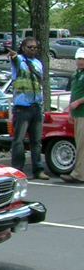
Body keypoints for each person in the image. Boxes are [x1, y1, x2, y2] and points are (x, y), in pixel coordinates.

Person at [7, 36, 48, 179]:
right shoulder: (19, 61)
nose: (32, 50)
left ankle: (38, 169)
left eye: (35, 47)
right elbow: (14, 58)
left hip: (36, 106)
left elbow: (40, 84)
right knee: (18, 140)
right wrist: (13, 56)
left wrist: (42, 105)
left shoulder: (38, 63)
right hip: (22, 107)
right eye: (29, 47)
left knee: (36, 141)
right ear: (23, 48)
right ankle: (17, 169)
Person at [61, 47, 84, 184]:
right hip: (77, 114)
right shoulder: (76, 74)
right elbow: (74, 92)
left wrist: (78, 102)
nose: (81, 62)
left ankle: (78, 174)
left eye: (83, 59)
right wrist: (71, 111)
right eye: (79, 59)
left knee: (81, 144)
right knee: (79, 143)